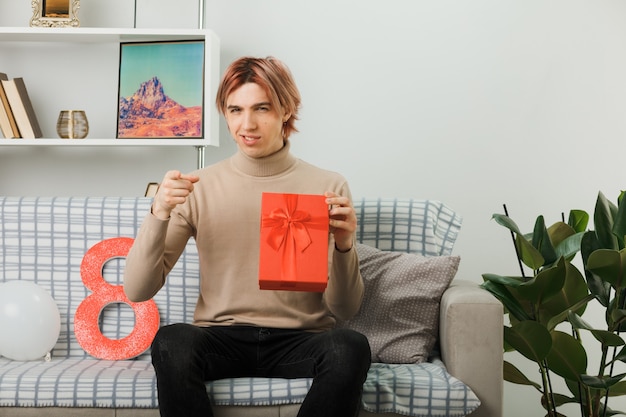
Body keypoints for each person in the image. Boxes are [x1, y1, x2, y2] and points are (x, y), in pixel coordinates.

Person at [123, 56, 371, 417]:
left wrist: (346, 244)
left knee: (350, 345)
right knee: (171, 340)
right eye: (235, 110)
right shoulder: (198, 186)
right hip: (220, 339)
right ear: (224, 113)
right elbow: (136, 290)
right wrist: (158, 213)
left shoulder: (328, 186)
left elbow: (345, 310)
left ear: (286, 110)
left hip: (302, 340)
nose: (247, 124)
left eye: (262, 108)